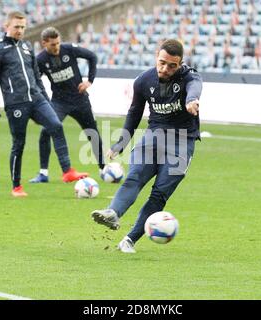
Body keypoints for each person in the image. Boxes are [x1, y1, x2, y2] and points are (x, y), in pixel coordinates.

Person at [91, 39, 202, 253]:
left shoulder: (190, 77)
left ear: (180, 64)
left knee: (159, 195)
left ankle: (130, 239)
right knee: (134, 175)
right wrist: (120, 144)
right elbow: (134, 113)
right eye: (162, 63)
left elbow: (194, 87)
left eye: (172, 65)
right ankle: (112, 213)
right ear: (156, 57)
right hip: (154, 135)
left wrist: (192, 100)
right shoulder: (143, 81)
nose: (165, 69)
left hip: (182, 141)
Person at [0, 11, 87, 197]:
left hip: (37, 99)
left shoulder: (26, 46)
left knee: (55, 125)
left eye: (23, 27)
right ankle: (16, 186)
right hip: (16, 103)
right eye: (16, 27)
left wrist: (45, 98)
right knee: (19, 143)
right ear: (6, 26)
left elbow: (36, 76)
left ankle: (67, 171)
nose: (20, 30)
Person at [29, 27, 105, 183]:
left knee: (92, 132)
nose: (56, 47)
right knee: (46, 132)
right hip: (59, 102)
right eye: (52, 45)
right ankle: (43, 173)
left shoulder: (69, 49)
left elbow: (92, 57)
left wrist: (89, 80)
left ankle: (103, 168)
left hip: (80, 99)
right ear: (44, 43)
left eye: (58, 43)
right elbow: (34, 81)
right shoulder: (40, 60)